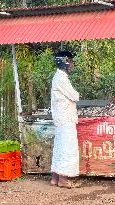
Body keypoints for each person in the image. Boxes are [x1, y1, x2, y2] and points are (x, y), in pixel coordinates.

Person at [50, 51, 80, 188]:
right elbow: (74, 96)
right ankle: (63, 179)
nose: (72, 64)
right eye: (70, 61)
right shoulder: (61, 78)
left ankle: (55, 178)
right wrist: (77, 94)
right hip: (66, 118)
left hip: (61, 118)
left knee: (59, 148)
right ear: (65, 62)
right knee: (67, 148)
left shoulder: (58, 77)